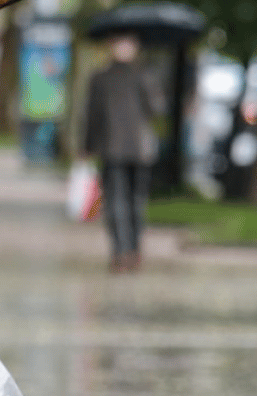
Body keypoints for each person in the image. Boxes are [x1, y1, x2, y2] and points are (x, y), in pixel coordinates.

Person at [83, 33, 163, 273]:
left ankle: (124, 251)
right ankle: (129, 251)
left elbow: (93, 117)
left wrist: (87, 146)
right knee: (128, 200)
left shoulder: (104, 77)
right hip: (131, 149)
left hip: (119, 148)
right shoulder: (140, 75)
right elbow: (156, 109)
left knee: (124, 200)